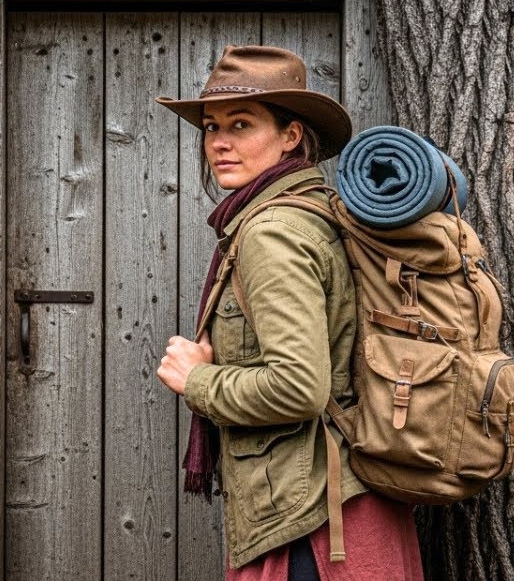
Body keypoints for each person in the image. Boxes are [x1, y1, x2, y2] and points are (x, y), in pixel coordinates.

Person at [154, 45, 424, 581]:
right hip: (343, 503)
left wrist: (198, 381)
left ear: (290, 136)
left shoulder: (272, 231)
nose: (219, 143)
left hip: (314, 527)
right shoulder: (316, 208)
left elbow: (299, 386)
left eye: (241, 124)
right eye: (211, 127)